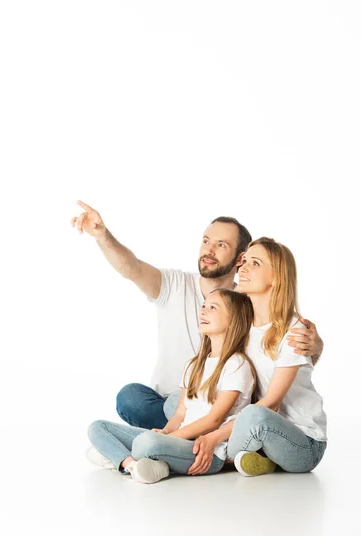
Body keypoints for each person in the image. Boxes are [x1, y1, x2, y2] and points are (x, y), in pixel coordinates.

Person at [71, 201, 324, 428]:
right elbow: (131, 267)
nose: (209, 250)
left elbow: (282, 338)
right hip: (169, 402)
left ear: (240, 259)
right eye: (206, 241)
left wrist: (315, 346)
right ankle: (185, 436)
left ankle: (179, 440)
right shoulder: (173, 284)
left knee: (222, 409)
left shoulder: (249, 301)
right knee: (132, 399)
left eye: (221, 245)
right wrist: (103, 236)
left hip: (220, 403)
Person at [187, 237, 327, 478]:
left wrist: (214, 435)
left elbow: (270, 404)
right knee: (179, 402)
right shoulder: (242, 323)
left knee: (254, 414)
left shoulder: (293, 331)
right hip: (254, 428)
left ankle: (206, 455)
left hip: (302, 442)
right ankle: (252, 458)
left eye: (255, 263)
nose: (243, 268)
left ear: (276, 277)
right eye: (244, 262)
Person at [87, 289, 255, 483]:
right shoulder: (194, 365)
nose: (203, 312)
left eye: (212, 308)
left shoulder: (236, 365)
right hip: (178, 441)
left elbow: (213, 420)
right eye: (203, 306)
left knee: (145, 443)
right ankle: (131, 465)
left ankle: (115, 455)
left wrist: (170, 438)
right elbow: (180, 414)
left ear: (234, 319)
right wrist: (166, 432)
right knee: (97, 428)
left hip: (206, 451)